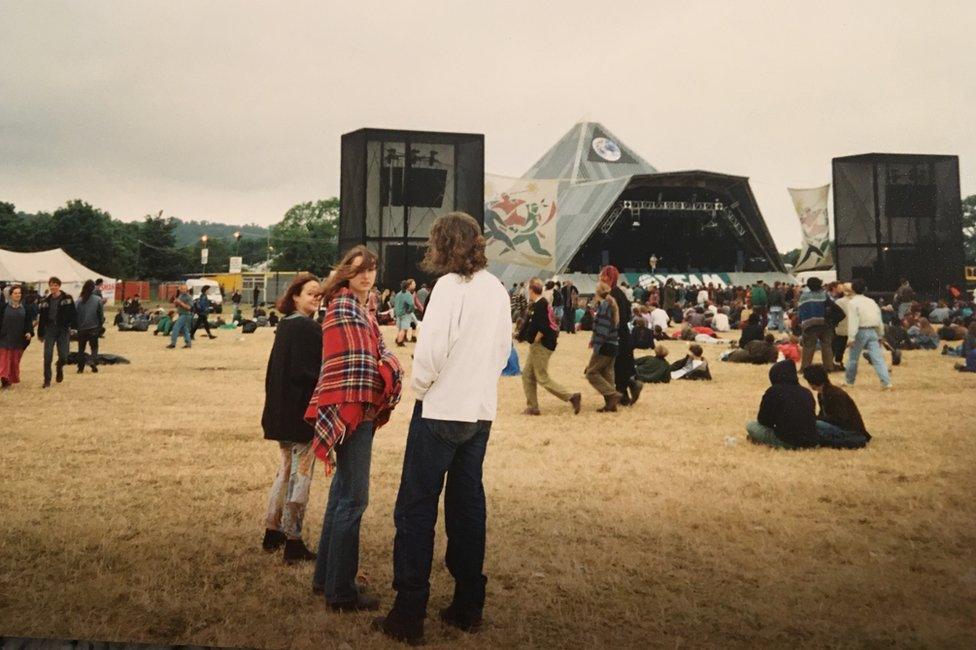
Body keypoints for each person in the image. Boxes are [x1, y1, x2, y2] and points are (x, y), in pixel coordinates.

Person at [375, 212, 512, 644]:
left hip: (440, 411)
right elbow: (503, 351)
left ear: (441, 244)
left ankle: (408, 612)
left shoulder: (449, 289)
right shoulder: (496, 288)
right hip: (479, 411)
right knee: (467, 506)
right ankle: (468, 604)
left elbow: (430, 354)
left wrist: (421, 389)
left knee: (415, 509)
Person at [307, 246, 403, 612]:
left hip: (348, 407)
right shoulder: (346, 307)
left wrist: (387, 360)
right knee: (353, 500)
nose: (367, 276)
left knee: (340, 495)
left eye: (372, 269)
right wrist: (389, 365)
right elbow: (362, 363)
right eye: (360, 270)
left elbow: (377, 354)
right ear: (347, 273)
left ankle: (325, 579)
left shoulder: (361, 307)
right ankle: (341, 592)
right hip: (352, 408)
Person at [261, 273, 323, 564]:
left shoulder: (284, 326)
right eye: (311, 293)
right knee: (302, 475)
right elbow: (306, 373)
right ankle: (293, 539)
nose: (316, 297)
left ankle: (272, 530)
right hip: (301, 415)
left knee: (285, 470)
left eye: (319, 294)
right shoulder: (309, 329)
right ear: (296, 296)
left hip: (280, 413)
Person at [517, 278, 581, 415]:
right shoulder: (539, 303)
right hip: (539, 345)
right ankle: (532, 407)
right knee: (527, 375)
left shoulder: (540, 304)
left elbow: (543, 327)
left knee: (541, 377)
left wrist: (534, 340)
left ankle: (571, 396)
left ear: (531, 290)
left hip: (541, 346)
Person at [745, 360, 821, 449]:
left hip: (786, 440)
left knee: (750, 425)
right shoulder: (806, 392)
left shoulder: (773, 391)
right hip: (810, 441)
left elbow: (762, 420)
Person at [601, 265, 642, 405]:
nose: (600, 278)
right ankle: (624, 394)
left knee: (615, 366)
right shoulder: (619, 293)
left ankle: (630, 386)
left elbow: (615, 318)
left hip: (617, 336)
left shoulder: (612, 295)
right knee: (619, 366)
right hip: (623, 335)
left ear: (609, 277)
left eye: (603, 275)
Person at [801, 365, 871, 448]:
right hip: (840, 428)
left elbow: (840, 419)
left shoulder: (834, 394)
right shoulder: (823, 393)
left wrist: (816, 419)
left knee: (814, 424)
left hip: (849, 431)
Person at [845, 278, 892, 390]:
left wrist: (851, 337)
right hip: (873, 331)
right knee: (878, 359)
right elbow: (878, 319)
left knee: (853, 358)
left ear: (853, 289)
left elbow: (853, 321)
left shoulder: (852, 303)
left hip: (859, 331)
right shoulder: (872, 302)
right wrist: (880, 334)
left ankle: (849, 382)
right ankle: (886, 382)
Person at [584, 282, 621, 412]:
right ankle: (611, 405)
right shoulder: (611, 304)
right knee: (607, 373)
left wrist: (596, 344)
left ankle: (612, 395)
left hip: (605, 345)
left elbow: (603, 329)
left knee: (591, 373)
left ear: (598, 293)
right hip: (613, 344)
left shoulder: (604, 306)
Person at [37, 276, 76, 388]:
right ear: (49, 286)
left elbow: (73, 314)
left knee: (64, 356)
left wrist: (73, 327)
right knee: (47, 355)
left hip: (63, 330)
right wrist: (40, 333)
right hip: (50, 329)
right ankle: (47, 380)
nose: (53, 287)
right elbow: (42, 318)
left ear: (59, 286)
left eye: (55, 285)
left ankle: (59, 367)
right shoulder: (45, 301)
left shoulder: (67, 299)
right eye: (51, 285)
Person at [798, 277, 835, 371]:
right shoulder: (825, 295)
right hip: (825, 324)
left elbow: (801, 310)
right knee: (826, 345)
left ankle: (805, 367)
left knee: (808, 347)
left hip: (809, 324)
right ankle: (829, 367)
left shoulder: (804, 296)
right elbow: (832, 307)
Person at [0, 285, 34, 388]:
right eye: (15, 293)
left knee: (14, 361)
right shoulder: (3, 307)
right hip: (4, 338)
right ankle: (4, 379)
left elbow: (28, 323)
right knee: (4, 360)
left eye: (19, 293)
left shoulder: (25, 309)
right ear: (10, 295)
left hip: (18, 339)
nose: (17, 295)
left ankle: (8, 379)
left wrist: (29, 332)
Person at [74, 279, 105, 373]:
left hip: (81, 328)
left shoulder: (79, 301)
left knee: (81, 349)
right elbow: (101, 315)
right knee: (94, 347)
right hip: (93, 327)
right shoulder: (98, 299)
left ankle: (80, 368)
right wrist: (100, 325)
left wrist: (76, 326)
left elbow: (75, 314)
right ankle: (93, 362)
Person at [166, 284, 193, 349]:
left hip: (185, 314)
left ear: (187, 289)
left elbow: (189, 307)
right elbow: (177, 306)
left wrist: (180, 302)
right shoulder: (180, 296)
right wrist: (176, 303)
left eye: (184, 289)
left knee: (176, 327)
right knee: (184, 330)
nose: (183, 290)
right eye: (182, 289)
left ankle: (173, 344)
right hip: (181, 314)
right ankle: (188, 343)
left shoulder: (189, 297)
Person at [393, 279, 417, 346]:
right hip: (405, 313)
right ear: (407, 286)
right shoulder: (407, 294)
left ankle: (398, 339)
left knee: (400, 328)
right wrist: (410, 310)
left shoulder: (398, 294)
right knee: (404, 328)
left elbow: (395, 304)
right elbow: (411, 304)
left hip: (398, 313)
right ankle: (400, 342)